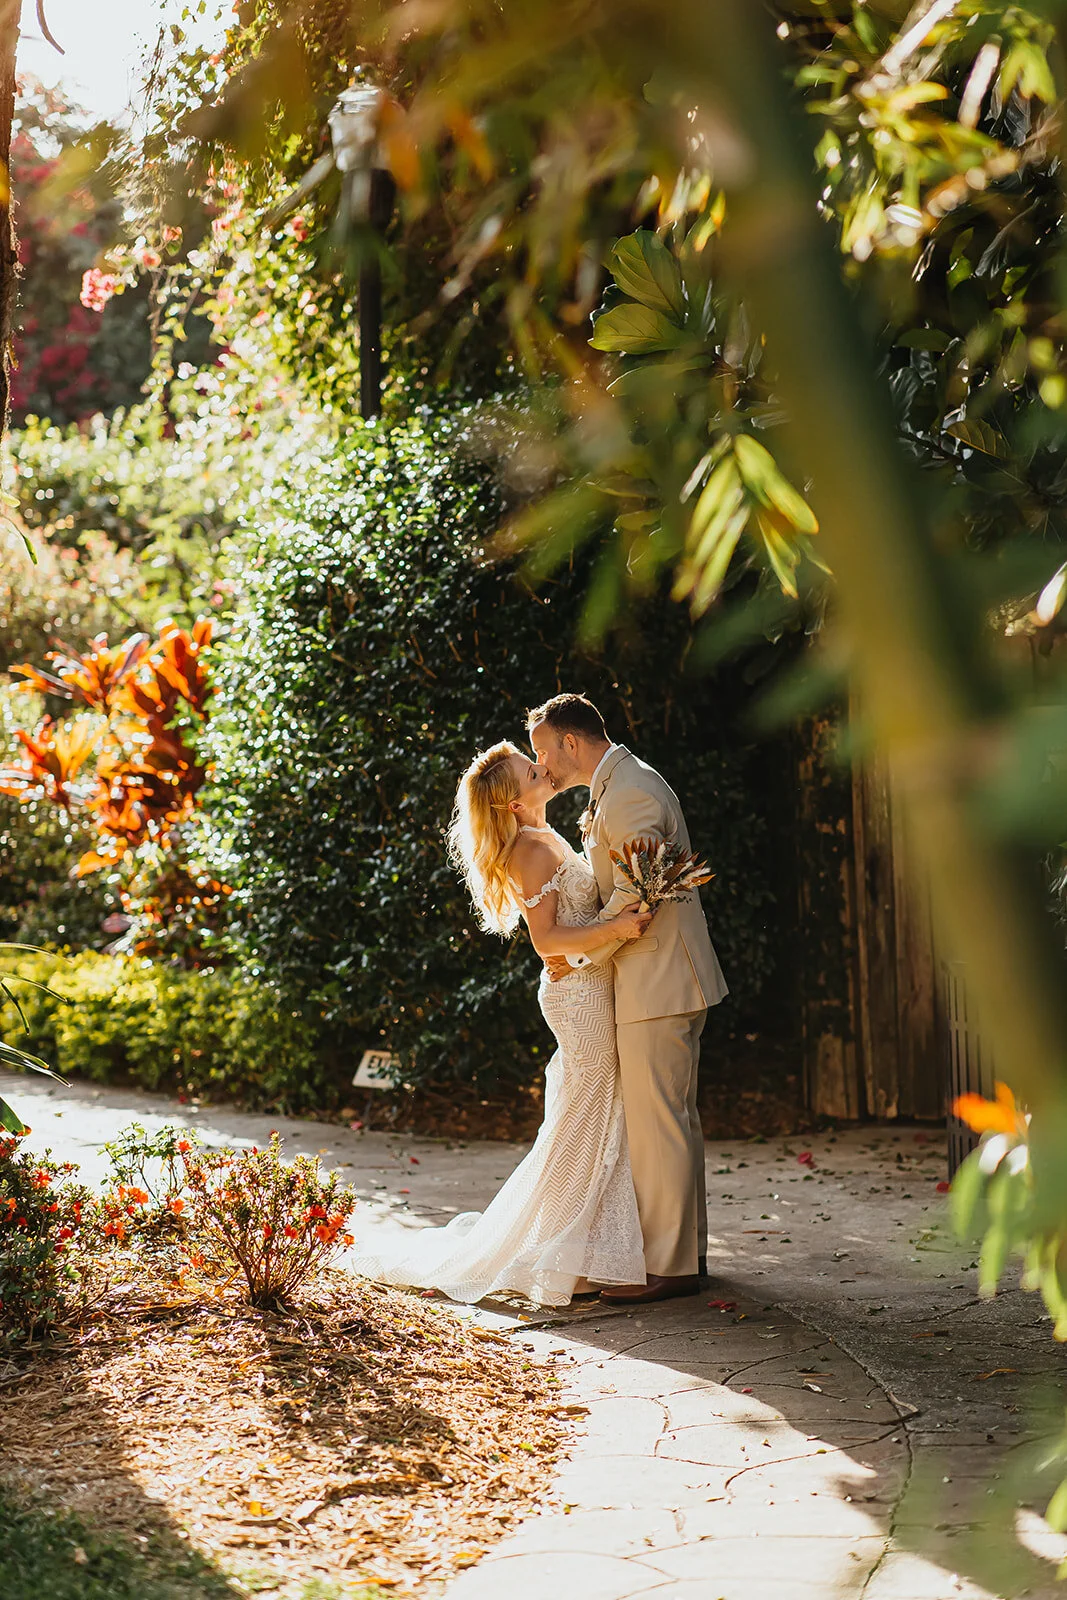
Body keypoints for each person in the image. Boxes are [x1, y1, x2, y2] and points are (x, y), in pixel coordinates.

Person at [348, 740, 650, 1308]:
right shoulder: (530, 850)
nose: (544, 769)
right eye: (532, 771)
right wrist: (617, 929)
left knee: (589, 1117)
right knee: (583, 1122)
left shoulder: (544, 834)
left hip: (589, 985)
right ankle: (562, 1255)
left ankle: (575, 1251)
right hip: (578, 998)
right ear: (514, 804)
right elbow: (546, 940)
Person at [528, 694, 728, 1305]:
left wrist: (579, 954)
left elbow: (637, 897)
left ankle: (670, 1268)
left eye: (543, 752)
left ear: (570, 741)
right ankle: (685, 1255)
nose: (543, 766)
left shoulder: (631, 791)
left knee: (659, 1122)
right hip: (660, 978)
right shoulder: (621, 783)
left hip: (658, 978)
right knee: (674, 1117)